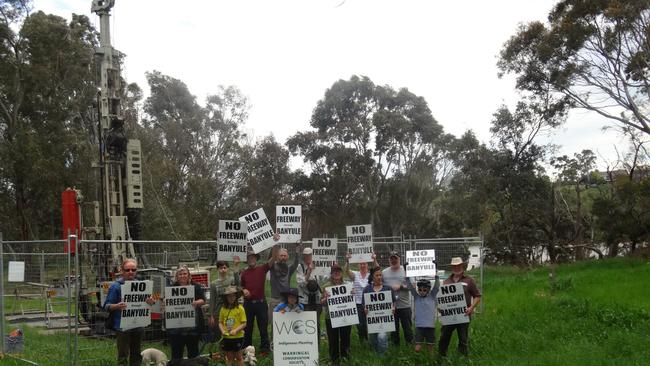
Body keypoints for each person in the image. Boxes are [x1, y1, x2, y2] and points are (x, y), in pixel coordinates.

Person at [103, 259, 155, 366]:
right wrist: (117, 306)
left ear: (136, 271)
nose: (130, 272)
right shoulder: (116, 286)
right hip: (123, 327)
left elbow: (150, 301)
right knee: (123, 355)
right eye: (127, 270)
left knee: (136, 354)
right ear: (122, 271)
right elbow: (106, 306)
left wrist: (151, 301)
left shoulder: (142, 285)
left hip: (138, 325)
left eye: (133, 269)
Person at [438, 257, 482, 357]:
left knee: (463, 338)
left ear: (462, 266)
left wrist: (471, 308)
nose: (457, 268)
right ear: (452, 267)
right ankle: (441, 357)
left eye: (458, 265)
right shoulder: (446, 281)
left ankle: (462, 358)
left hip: (464, 314)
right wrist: (440, 307)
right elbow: (442, 299)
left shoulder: (469, 280)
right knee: (444, 337)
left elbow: (477, 296)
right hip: (449, 316)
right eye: (454, 266)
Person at [168, 265, 207, 361]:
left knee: (193, 352)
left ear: (189, 275)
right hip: (177, 327)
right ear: (177, 276)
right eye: (180, 274)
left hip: (193, 326)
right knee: (176, 354)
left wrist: (197, 302)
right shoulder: (172, 288)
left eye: (184, 273)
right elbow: (165, 300)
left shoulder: (196, 286)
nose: (182, 275)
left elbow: (203, 300)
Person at [240, 249, 274, 355]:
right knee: (247, 328)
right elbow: (240, 286)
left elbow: (273, 259)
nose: (251, 259)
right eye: (249, 258)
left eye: (253, 257)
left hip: (261, 303)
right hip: (248, 304)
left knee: (263, 327)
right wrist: (243, 290)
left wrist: (275, 244)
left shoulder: (262, 269)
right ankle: (247, 349)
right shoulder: (244, 273)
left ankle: (265, 349)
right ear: (247, 260)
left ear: (256, 258)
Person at [321, 264, 352, 365]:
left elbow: (351, 300)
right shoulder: (326, 286)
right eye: (334, 271)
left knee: (345, 337)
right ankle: (334, 359)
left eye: (338, 271)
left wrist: (352, 294)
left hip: (345, 315)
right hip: (331, 317)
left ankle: (345, 357)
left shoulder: (347, 285)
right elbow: (322, 303)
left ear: (341, 273)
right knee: (333, 339)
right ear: (331, 273)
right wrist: (325, 299)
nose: (337, 273)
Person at [344, 252, 379, 342]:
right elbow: (347, 270)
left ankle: (371, 341)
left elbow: (377, 269)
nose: (363, 265)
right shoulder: (355, 275)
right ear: (358, 265)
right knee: (360, 324)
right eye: (361, 264)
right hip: (358, 303)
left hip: (370, 302)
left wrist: (374, 259)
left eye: (364, 264)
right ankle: (362, 341)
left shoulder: (371, 275)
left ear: (367, 265)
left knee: (371, 323)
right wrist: (347, 260)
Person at [382, 251, 413, 346]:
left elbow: (413, 286)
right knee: (393, 330)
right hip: (391, 307)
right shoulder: (384, 272)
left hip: (404, 305)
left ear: (399, 259)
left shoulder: (406, 270)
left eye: (395, 258)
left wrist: (401, 287)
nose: (393, 260)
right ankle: (395, 348)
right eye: (391, 258)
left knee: (407, 329)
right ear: (389, 260)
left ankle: (410, 346)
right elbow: (380, 286)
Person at [362, 266, 395, 355]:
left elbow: (393, 303)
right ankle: (375, 356)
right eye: (377, 275)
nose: (379, 277)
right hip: (372, 320)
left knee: (382, 337)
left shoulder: (388, 288)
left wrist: (393, 308)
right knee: (373, 339)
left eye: (380, 275)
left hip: (385, 319)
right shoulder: (367, 289)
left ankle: (382, 358)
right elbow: (364, 304)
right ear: (372, 277)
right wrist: (365, 309)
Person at [208, 257, 241, 344]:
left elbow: (238, 285)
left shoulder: (231, 280)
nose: (223, 270)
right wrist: (211, 315)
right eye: (220, 268)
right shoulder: (213, 284)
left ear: (227, 268)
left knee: (230, 333)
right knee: (218, 334)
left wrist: (236, 267)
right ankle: (218, 353)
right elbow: (212, 300)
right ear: (218, 269)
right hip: (218, 313)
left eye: (224, 267)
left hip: (231, 311)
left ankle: (230, 352)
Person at [406, 276, 440, 353]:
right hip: (419, 327)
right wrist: (407, 278)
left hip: (430, 327)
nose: (422, 291)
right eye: (420, 290)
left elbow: (436, 287)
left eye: (424, 290)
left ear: (428, 290)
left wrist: (436, 276)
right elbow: (411, 288)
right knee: (417, 348)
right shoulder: (416, 297)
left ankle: (430, 361)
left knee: (430, 348)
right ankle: (418, 360)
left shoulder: (432, 296)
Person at [268, 244, 299, 322]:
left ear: (287, 257)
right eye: (281, 255)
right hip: (275, 300)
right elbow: (269, 259)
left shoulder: (289, 269)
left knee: (285, 323)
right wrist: (274, 246)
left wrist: (297, 251)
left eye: (285, 256)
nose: (283, 257)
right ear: (277, 257)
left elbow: (295, 263)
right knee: (274, 324)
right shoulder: (273, 267)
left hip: (286, 301)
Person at [296, 247, 324, 334]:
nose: (308, 257)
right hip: (305, 300)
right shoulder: (300, 267)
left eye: (309, 255)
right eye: (306, 255)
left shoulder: (318, 266)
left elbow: (324, 280)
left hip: (317, 300)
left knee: (316, 323)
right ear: (303, 256)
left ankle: (317, 345)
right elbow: (301, 283)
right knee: (306, 323)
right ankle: (306, 345)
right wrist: (309, 271)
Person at [219, 286, 247, 366]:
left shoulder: (240, 308)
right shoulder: (223, 309)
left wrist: (236, 330)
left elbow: (244, 323)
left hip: (238, 337)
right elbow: (220, 322)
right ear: (226, 298)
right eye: (229, 296)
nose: (231, 298)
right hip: (227, 337)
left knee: (239, 357)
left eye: (233, 296)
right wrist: (223, 331)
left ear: (236, 297)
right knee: (229, 358)